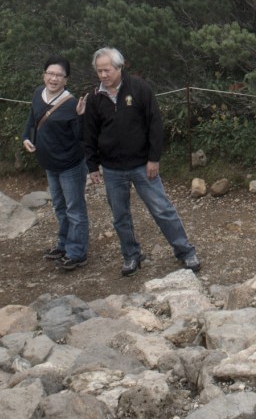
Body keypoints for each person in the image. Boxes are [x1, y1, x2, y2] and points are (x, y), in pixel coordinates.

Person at [83, 46, 200, 276]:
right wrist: (92, 165)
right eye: (99, 71)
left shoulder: (139, 88)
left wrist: (153, 158)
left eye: (107, 70)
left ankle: (186, 252)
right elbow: (89, 132)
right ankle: (130, 256)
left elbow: (154, 124)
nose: (103, 75)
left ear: (119, 67)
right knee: (120, 216)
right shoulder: (95, 97)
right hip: (112, 168)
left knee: (162, 209)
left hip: (142, 165)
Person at [22, 55, 89, 271]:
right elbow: (32, 120)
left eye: (59, 75)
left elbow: (82, 138)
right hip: (49, 163)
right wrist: (26, 138)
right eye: (50, 74)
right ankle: (63, 244)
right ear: (44, 75)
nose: (54, 78)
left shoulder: (72, 104)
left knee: (74, 209)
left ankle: (77, 252)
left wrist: (80, 116)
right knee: (60, 207)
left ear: (66, 80)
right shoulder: (37, 94)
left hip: (70, 165)